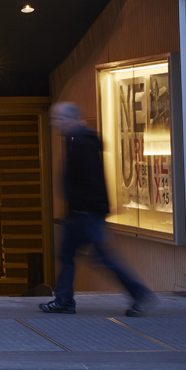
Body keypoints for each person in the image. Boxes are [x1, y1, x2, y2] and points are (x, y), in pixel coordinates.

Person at [40, 102, 155, 317]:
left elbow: (91, 180)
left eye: (58, 119)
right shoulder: (75, 140)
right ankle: (64, 300)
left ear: (70, 118)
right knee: (68, 255)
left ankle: (138, 293)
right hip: (80, 213)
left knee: (102, 258)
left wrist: (87, 208)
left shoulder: (83, 143)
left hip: (86, 213)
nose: (54, 123)